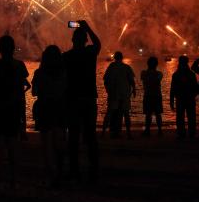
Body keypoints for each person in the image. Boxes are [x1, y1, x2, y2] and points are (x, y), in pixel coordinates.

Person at [0, 35, 29, 187]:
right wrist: (24, 122)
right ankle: (13, 179)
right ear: (13, 48)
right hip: (13, 108)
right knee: (12, 145)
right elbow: (21, 92)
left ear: (0, 48)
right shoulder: (19, 66)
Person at [63, 20, 101, 183]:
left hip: (72, 100)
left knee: (73, 136)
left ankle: (74, 170)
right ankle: (93, 170)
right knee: (90, 136)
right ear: (86, 41)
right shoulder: (90, 53)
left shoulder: (66, 57)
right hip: (89, 99)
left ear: (72, 40)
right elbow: (98, 43)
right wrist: (88, 28)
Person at [32, 45, 68, 187]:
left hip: (44, 108)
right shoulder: (64, 72)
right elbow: (66, 89)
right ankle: (60, 172)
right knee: (59, 142)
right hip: (60, 108)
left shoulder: (39, 73)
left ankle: (50, 174)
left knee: (45, 144)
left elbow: (34, 92)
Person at [103, 51, 136, 138]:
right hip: (124, 93)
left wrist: (108, 90)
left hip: (113, 94)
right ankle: (129, 133)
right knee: (126, 113)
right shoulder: (127, 67)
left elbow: (105, 80)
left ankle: (103, 132)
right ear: (122, 58)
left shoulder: (111, 67)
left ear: (115, 58)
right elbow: (132, 81)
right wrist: (134, 90)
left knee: (109, 112)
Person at [170, 56, 198, 139]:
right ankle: (192, 133)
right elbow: (196, 87)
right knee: (191, 117)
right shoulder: (191, 74)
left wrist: (171, 100)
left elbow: (173, 88)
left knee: (180, 117)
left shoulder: (176, 74)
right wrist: (193, 95)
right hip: (190, 98)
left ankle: (181, 133)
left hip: (180, 98)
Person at [141, 57, 163, 136]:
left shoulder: (143, 73)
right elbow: (157, 80)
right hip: (157, 95)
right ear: (156, 64)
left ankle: (147, 131)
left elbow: (144, 79)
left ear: (148, 64)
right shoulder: (159, 74)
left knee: (148, 114)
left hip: (148, 95)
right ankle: (160, 131)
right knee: (158, 114)